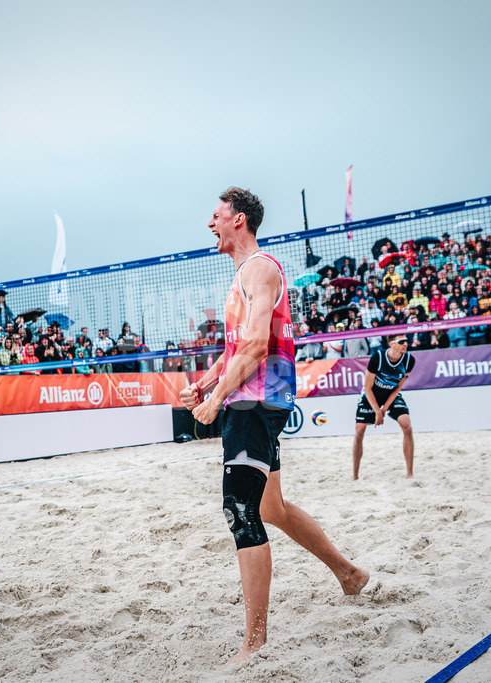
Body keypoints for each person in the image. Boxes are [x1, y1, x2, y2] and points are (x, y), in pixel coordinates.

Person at [180, 187, 368, 667]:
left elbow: (258, 346)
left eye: (216, 215)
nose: (211, 223)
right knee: (272, 506)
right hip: (252, 397)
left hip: (255, 401)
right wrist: (205, 386)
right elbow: (232, 351)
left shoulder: (260, 268)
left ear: (238, 220)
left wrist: (219, 398)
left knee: (240, 512)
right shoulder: (242, 276)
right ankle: (348, 574)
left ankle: (255, 642)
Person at [351, 334, 415, 480]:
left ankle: (410, 474)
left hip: (390, 394)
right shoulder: (377, 358)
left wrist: (384, 409)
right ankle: (355, 476)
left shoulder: (409, 360)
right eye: (402, 342)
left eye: (406, 341)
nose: (406, 344)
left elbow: (398, 387)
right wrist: (377, 412)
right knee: (359, 431)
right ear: (392, 344)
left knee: (407, 426)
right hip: (371, 395)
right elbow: (367, 388)